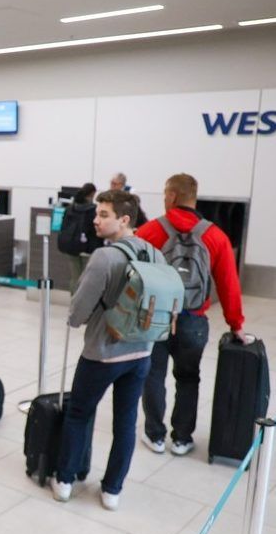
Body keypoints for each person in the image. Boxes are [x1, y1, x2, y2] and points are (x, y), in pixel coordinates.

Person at [52, 190, 163, 511]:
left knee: (79, 414)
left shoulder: (105, 257)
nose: (95, 220)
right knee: (125, 424)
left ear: (124, 219)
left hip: (102, 352)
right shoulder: (153, 253)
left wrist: (75, 319)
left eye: (103, 215)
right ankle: (112, 490)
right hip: (141, 352)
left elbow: (78, 311)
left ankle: (65, 480)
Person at [136, 173, 246, 456]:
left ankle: (155, 435)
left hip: (157, 316)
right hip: (194, 319)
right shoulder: (215, 236)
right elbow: (229, 283)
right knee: (188, 377)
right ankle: (182, 438)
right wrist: (237, 324)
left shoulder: (150, 231)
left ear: (172, 196)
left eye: (164, 194)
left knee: (153, 375)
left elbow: (133, 273)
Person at [61, 183, 101, 291]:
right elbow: (96, 230)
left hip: (72, 247)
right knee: (86, 278)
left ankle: (73, 303)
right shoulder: (93, 210)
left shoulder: (70, 208)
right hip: (87, 248)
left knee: (75, 278)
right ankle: (82, 304)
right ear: (92, 194)